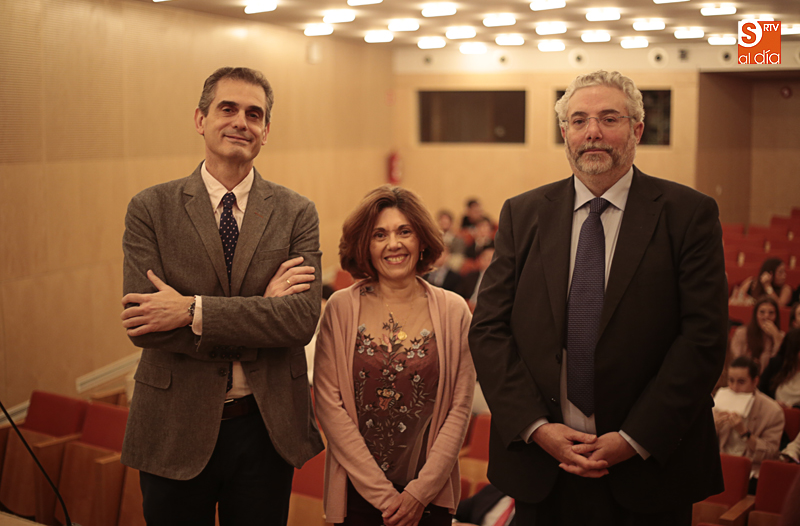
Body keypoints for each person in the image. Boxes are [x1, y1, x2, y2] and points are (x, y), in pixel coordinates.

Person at [469, 70, 729, 525]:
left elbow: (703, 340)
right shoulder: (522, 214)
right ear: (564, 132)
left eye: (610, 118)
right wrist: (538, 428)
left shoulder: (688, 215)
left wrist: (632, 438)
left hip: (651, 469)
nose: (593, 132)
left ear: (637, 130)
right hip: (542, 465)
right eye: (579, 120)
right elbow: (489, 329)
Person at [119, 67, 324, 525]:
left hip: (265, 427)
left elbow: (299, 322)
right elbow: (144, 326)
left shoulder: (296, 213)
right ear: (200, 119)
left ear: (265, 131)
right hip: (174, 424)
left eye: (255, 114)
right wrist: (263, 311)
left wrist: (191, 310)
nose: (240, 122)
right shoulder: (150, 209)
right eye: (227, 108)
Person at [314, 185, 475, 526]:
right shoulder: (341, 309)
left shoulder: (454, 311)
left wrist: (420, 492)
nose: (394, 244)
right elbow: (329, 405)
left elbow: (459, 409)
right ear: (365, 246)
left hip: (428, 496)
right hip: (356, 492)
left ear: (422, 240)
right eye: (379, 235)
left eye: (405, 231)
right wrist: (383, 496)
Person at [713, 357, 784, 493]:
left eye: (741, 382)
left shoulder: (773, 411)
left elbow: (771, 454)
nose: (734, 388)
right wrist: (713, 428)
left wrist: (745, 433)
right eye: (731, 381)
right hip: (720, 466)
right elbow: (701, 444)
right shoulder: (720, 401)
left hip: (752, 471)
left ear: (755, 381)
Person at [730, 296, 785, 375]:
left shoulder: (781, 336)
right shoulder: (742, 332)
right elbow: (736, 359)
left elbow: (781, 363)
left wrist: (776, 336)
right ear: (755, 314)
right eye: (762, 312)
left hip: (770, 378)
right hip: (745, 376)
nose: (766, 316)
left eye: (771, 313)